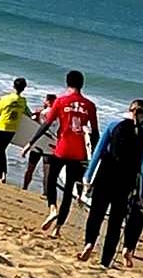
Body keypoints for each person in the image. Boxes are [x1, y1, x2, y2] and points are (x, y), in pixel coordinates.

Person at [19, 70, 98, 238]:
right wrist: (94, 159)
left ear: (67, 83)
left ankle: (52, 208)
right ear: (82, 84)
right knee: (69, 190)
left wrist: (30, 144)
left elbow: (46, 125)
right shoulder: (90, 105)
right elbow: (95, 134)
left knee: (51, 179)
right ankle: (58, 229)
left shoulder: (61, 101)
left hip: (62, 148)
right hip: (79, 153)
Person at [82, 99, 143, 268]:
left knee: (96, 213)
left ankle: (89, 243)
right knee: (116, 223)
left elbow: (98, 152)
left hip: (105, 175)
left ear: (129, 110)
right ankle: (105, 261)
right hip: (126, 180)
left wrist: (88, 177)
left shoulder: (113, 125)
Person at [0, 77, 28, 182]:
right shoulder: (23, 101)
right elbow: (27, 113)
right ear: (23, 89)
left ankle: (1, 175)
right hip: (12, 129)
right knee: (2, 151)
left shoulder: (5, 99)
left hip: (2, 127)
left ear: (13, 86)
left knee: (1, 152)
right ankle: (1, 174)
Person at [22, 94, 57, 191]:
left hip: (38, 142)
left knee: (30, 168)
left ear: (48, 101)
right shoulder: (58, 115)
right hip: (50, 144)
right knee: (47, 172)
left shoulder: (41, 112)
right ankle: (45, 192)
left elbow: (33, 122)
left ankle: (25, 187)